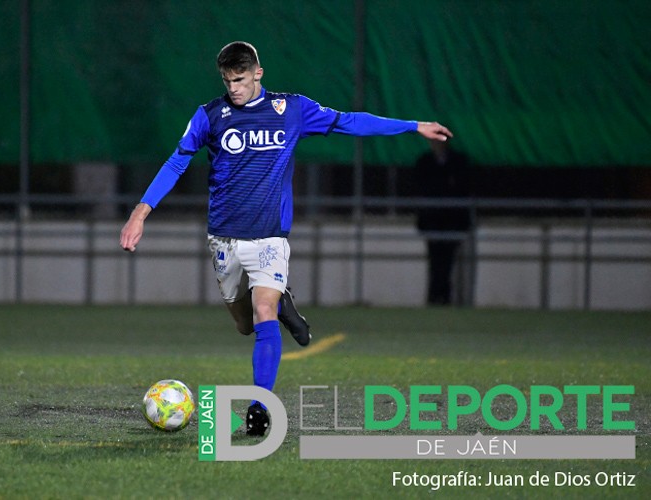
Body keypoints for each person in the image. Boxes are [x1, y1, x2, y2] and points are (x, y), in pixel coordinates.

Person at [120, 41, 453, 436]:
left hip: (269, 239)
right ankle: (284, 304)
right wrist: (141, 212)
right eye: (228, 81)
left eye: (241, 80)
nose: (235, 89)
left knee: (263, 313)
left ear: (258, 73)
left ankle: (260, 408)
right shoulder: (210, 115)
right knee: (244, 324)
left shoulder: (291, 110)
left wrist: (412, 126)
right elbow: (177, 161)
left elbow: (349, 121)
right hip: (224, 239)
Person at [415, 139, 472, 305]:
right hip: (432, 220)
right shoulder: (425, 162)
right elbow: (421, 189)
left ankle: (443, 298)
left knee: (447, 262)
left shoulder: (458, 162)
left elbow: (463, 189)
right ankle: (434, 298)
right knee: (435, 260)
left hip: (452, 221)